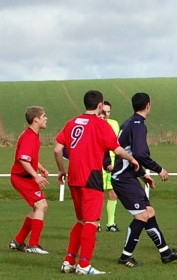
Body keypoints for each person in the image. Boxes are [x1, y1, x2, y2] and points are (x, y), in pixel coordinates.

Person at [54, 90, 139, 275]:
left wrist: (61, 170)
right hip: (91, 176)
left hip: (74, 177)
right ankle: (84, 265)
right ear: (100, 105)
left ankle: (69, 261)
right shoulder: (101, 125)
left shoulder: (72, 122)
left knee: (81, 220)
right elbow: (117, 150)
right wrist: (132, 159)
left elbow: (57, 149)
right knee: (92, 222)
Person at [111, 92, 177, 267]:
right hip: (123, 178)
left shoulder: (128, 122)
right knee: (142, 215)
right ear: (148, 105)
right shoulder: (138, 125)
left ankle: (166, 253)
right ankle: (125, 256)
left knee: (149, 212)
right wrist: (158, 169)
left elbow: (130, 154)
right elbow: (138, 153)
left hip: (129, 175)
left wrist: (142, 174)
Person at [9, 106, 50, 254]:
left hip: (25, 177)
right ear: (36, 119)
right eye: (44, 116)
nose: (46, 118)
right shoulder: (28, 136)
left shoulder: (33, 135)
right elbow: (23, 160)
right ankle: (33, 245)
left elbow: (30, 158)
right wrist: (35, 175)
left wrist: (41, 168)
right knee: (41, 205)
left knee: (40, 207)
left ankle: (18, 241)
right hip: (21, 178)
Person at [101, 100, 121, 232]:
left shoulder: (114, 124)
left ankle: (110, 224)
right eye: (103, 112)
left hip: (113, 164)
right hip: (99, 163)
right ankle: (95, 223)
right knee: (97, 195)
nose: (106, 114)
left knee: (113, 194)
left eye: (108, 112)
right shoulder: (95, 124)